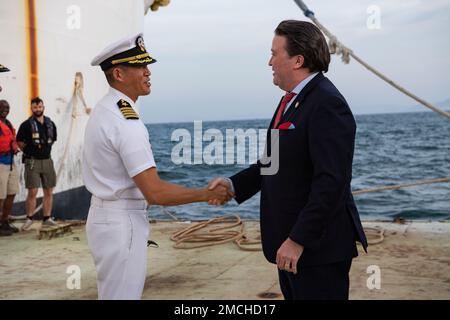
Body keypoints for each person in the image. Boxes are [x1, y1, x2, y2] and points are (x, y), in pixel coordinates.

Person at [208, 20, 368, 300]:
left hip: (316, 249)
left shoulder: (327, 103)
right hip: (291, 246)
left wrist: (298, 240)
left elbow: (331, 182)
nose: (269, 62)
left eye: (274, 53)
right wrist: (233, 185)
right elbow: (272, 162)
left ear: (297, 60)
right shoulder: (292, 101)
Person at [83, 33, 231, 300]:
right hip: (122, 222)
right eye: (140, 66)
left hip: (107, 218)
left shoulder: (105, 109)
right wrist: (208, 194)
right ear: (118, 73)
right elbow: (156, 193)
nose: (148, 72)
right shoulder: (124, 121)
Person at [17, 97, 58, 230]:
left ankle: (47, 218)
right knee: (32, 191)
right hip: (32, 161)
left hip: (47, 161)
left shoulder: (50, 123)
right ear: (32, 108)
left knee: (49, 190)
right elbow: (20, 142)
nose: (38, 109)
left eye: (40, 107)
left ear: (43, 107)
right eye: (35, 107)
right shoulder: (26, 125)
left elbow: (54, 139)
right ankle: (29, 218)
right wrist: (30, 151)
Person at [0, 100, 20, 236]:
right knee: (0, 195)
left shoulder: (8, 123)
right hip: (0, 163)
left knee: (11, 193)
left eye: (7, 107)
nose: (5, 109)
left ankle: (4, 221)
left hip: (11, 162)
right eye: (2, 107)